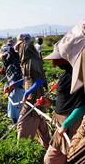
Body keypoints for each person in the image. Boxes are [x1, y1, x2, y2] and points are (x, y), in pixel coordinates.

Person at [38, 20, 85, 164]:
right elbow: (69, 101)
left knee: (55, 159)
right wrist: (52, 102)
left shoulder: (79, 76)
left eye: (58, 60)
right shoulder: (69, 75)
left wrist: (66, 124)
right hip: (63, 124)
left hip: (72, 126)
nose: (55, 64)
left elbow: (82, 105)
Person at [5, 33, 50, 150]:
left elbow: (39, 80)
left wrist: (26, 93)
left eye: (19, 46)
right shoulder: (26, 60)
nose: (18, 49)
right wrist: (13, 85)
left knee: (23, 123)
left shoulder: (32, 60)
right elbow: (27, 78)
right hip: (33, 96)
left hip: (33, 98)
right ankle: (50, 150)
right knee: (40, 124)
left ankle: (23, 151)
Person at [0, 44, 23, 124]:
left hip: (17, 91)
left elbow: (15, 80)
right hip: (16, 90)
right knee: (15, 111)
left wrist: (10, 88)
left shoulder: (11, 66)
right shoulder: (14, 62)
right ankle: (17, 128)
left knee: (17, 112)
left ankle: (18, 129)